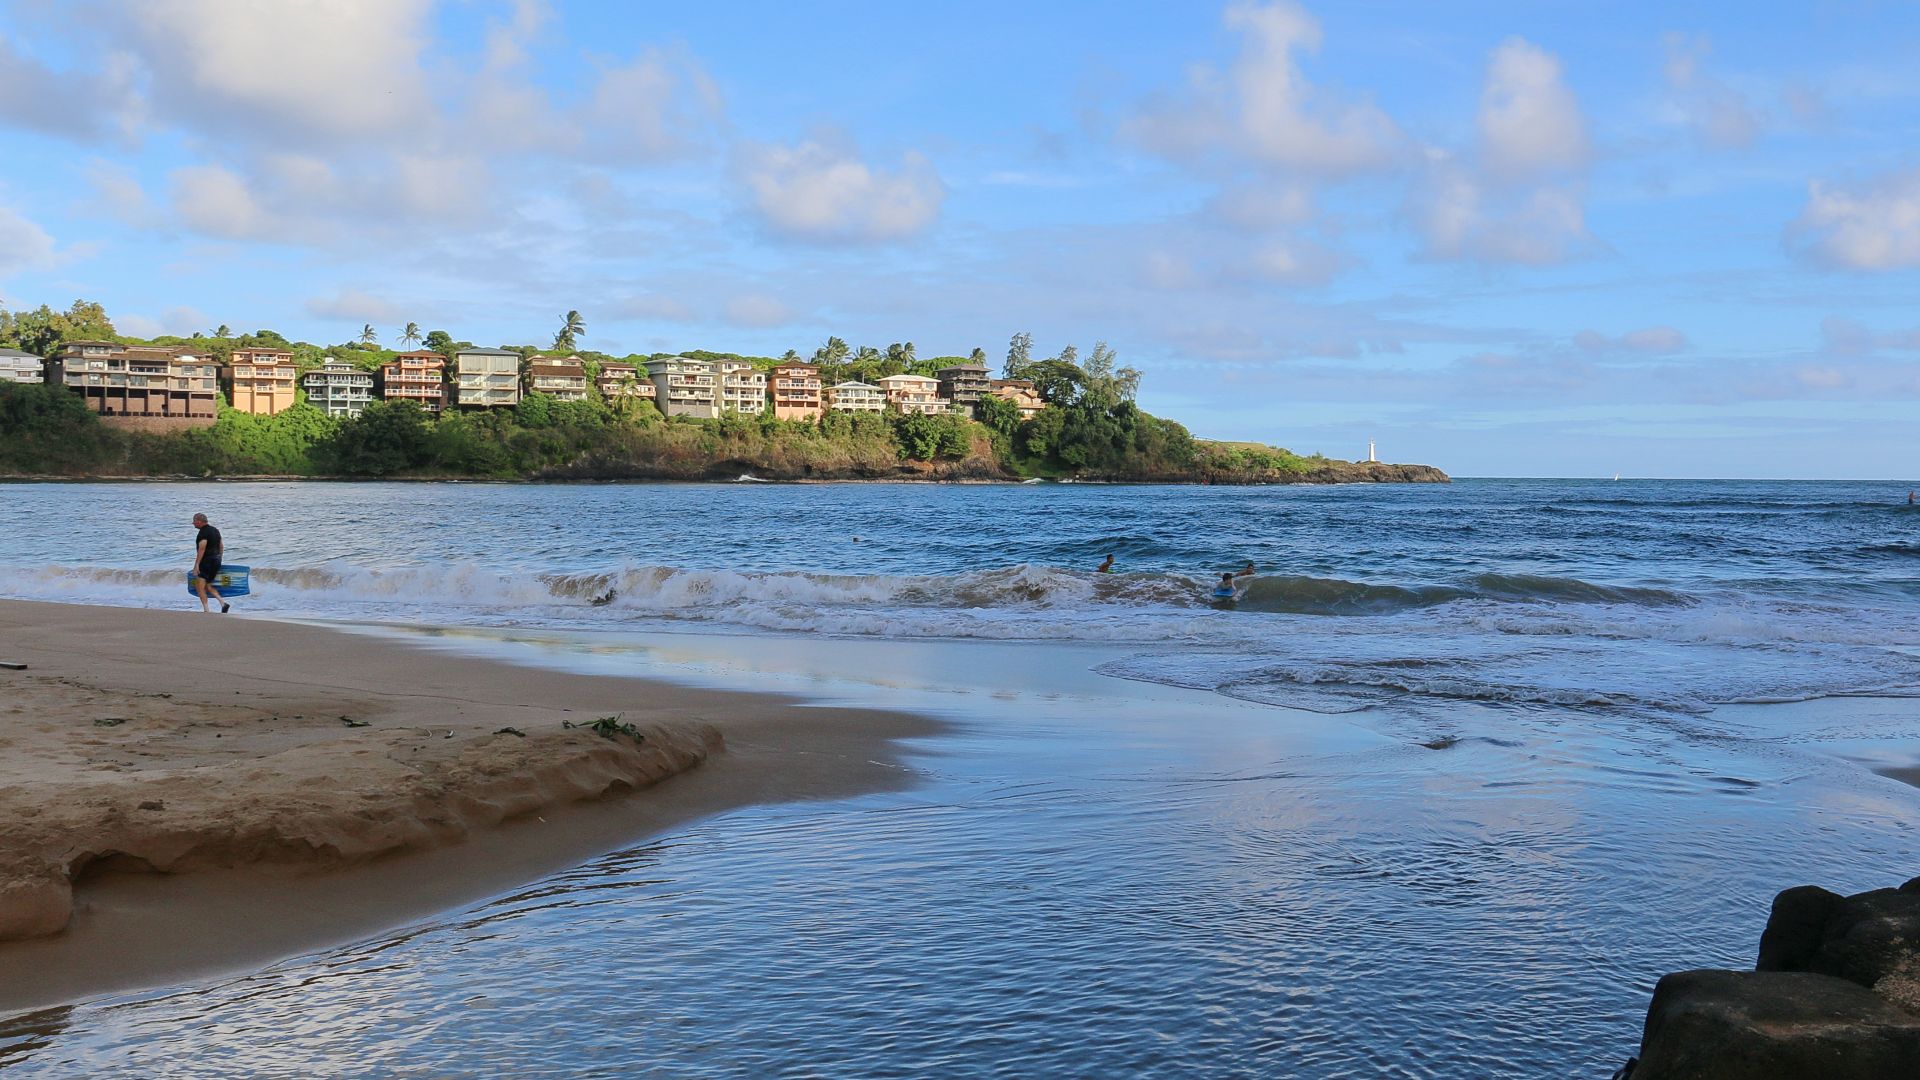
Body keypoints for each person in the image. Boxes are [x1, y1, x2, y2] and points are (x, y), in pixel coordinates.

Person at [191, 512, 229, 614]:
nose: (193, 523)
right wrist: (219, 559)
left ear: (199, 521)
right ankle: (223, 603)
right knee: (207, 585)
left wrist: (197, 565)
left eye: (194, 521)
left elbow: (202, 548)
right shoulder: (215, 530)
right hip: (216, 560)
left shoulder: (203, 533)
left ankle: (206, 610)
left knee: (199, 586)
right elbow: (221, 546)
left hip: (206, 562)